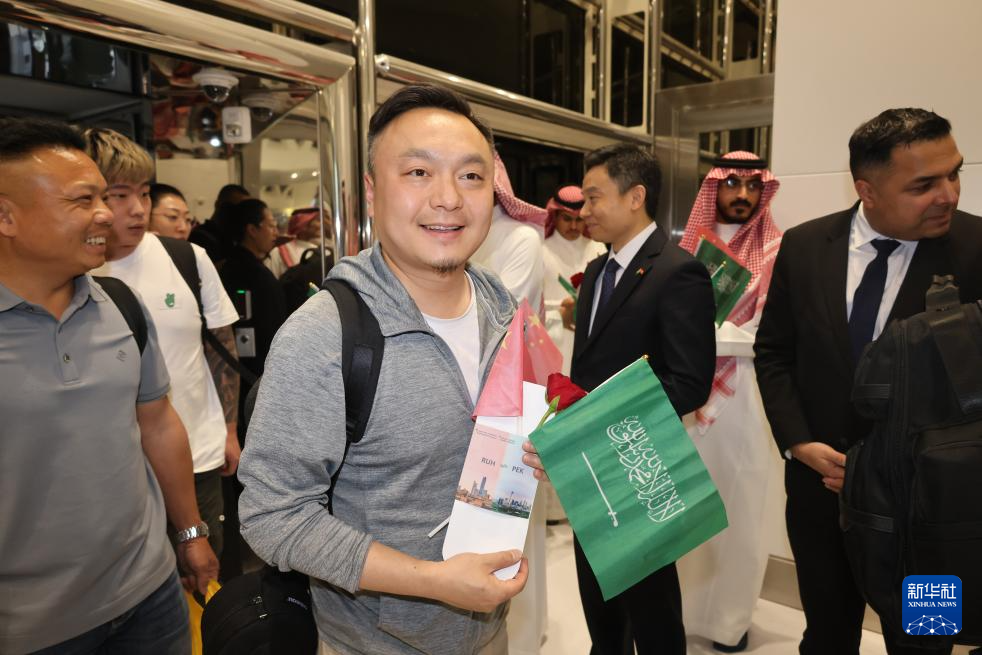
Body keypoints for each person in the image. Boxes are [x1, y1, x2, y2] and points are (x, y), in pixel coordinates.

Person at [238, 84, 544, 655]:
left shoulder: (502, 308)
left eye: (471, 176)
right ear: (373, 193)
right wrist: (433, 582)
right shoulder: (324, 335)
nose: (448, 198)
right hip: (374, 643)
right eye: (419, 173)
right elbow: (273, 516)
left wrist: (538, 450)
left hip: (491, 630)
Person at [754, 108, 982, 655]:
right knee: (827, 635)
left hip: (931, 508)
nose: (948, 195)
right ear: (867, 190)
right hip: (820, 496)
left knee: (924, 640)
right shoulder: (805, 246)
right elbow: (775, 353)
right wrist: (799, 443)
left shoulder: (977, 248)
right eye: (924, 185)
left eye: (954, 174)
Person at [0, 117, 217, 654]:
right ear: (6, 216)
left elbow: (158, 424)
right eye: (83, 200)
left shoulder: (119, 303)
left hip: (150, 595)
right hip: (30, 628)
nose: (106, 215)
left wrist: (190, 533)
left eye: (106, 197)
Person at [562, 143, 716, 655]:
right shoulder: (596, 273)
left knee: (651, 607)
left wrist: (604, 416)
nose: (583, 210)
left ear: (635, 197)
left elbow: (690, 381)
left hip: (639, 458)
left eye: (593, 197)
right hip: (589, 463)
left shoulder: (678, 271)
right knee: (599, 601)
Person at [86, 127, 242, 559]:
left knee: (204, 575)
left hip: (196, 455)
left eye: (143, 193)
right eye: (119, 195)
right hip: (114, 473)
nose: (138, 209)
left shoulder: (187, 257)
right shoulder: (72, 271)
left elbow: (221, 348)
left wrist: (229, 431)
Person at [674, 151, 782, 653]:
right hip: (685, 392)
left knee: (740, 507)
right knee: (681, 501)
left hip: (745, 396)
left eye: (752, 185)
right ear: (713, 187)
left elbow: (769, 333)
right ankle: (676, 614)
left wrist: (702, 337)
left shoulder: (778, 250)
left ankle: (729, 623)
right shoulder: (686, 250)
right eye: (732, 183)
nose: (742, 194)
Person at [541, 185, 606, 375]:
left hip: (589, 341)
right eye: (567, 219)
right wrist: (561, 311)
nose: (573, 227)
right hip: (551, 337)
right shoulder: (540, 248)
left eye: (579, 220)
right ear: (554, 216)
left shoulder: (598, 248)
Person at [471, 152, 546, 314]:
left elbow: (506, 316)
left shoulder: (522, 238)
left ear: (494, 187)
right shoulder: (462, 233)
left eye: (472, 177)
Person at [266, 206, 334, 278]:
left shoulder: (325, 249)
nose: (322, 225)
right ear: (303, 225)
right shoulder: (279, 252)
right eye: (318, 220)